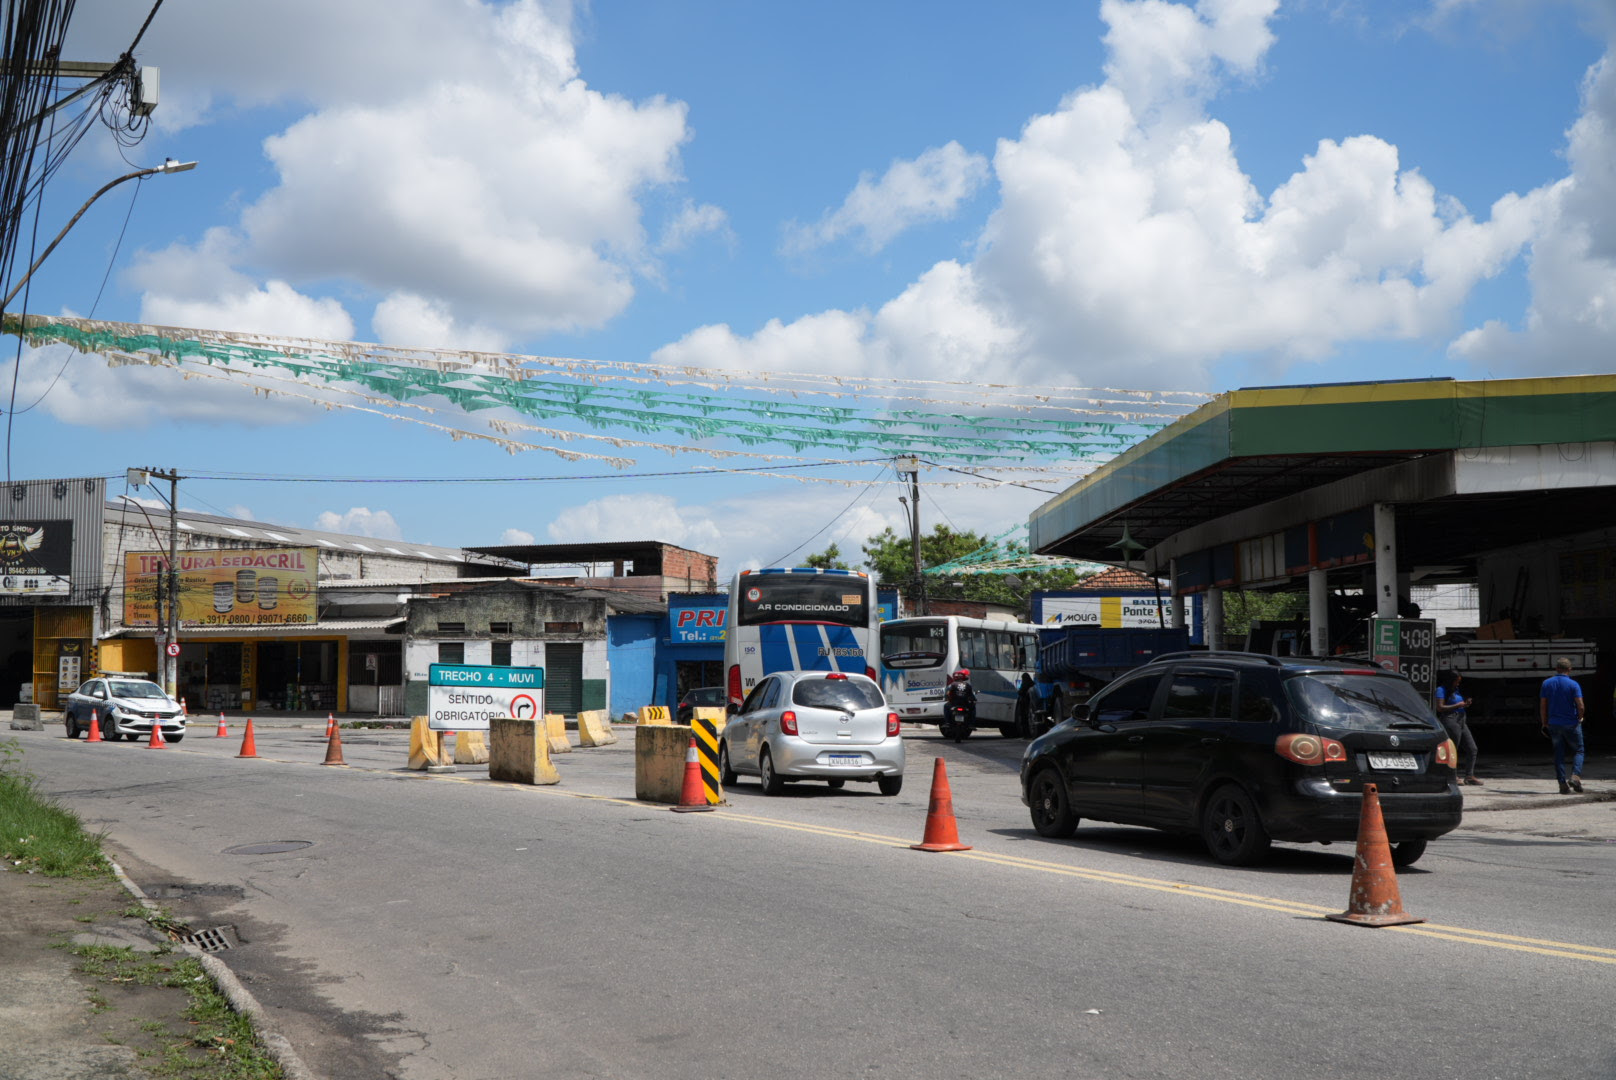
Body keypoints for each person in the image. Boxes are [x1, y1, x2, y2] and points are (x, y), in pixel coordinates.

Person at [1539, 657, 1586, 794]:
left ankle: (1562, 784)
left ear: (1556, 669)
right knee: (1579, 750)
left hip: (1554, 724)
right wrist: (1580, 717)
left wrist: (1544, 721)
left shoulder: (1547, 683)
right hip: (1571, 723)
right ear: (1569, 669)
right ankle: (1575, 776)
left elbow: (1543, 705)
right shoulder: (1574, 684)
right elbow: (1580, 705)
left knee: (1558, 753)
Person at [1434, 670, 1480, 785]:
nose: (1458, 684)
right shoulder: (1441, 690)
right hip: (1450, 719)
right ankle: (1452, 775)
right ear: (1450, 680)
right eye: (1456, 681)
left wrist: (1465, 703)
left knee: (1472, 748)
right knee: (1453, 749)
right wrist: (1457, 705)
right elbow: (1440, 707)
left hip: (1461, 719)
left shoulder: (1456, 690)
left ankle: (1469, 775)